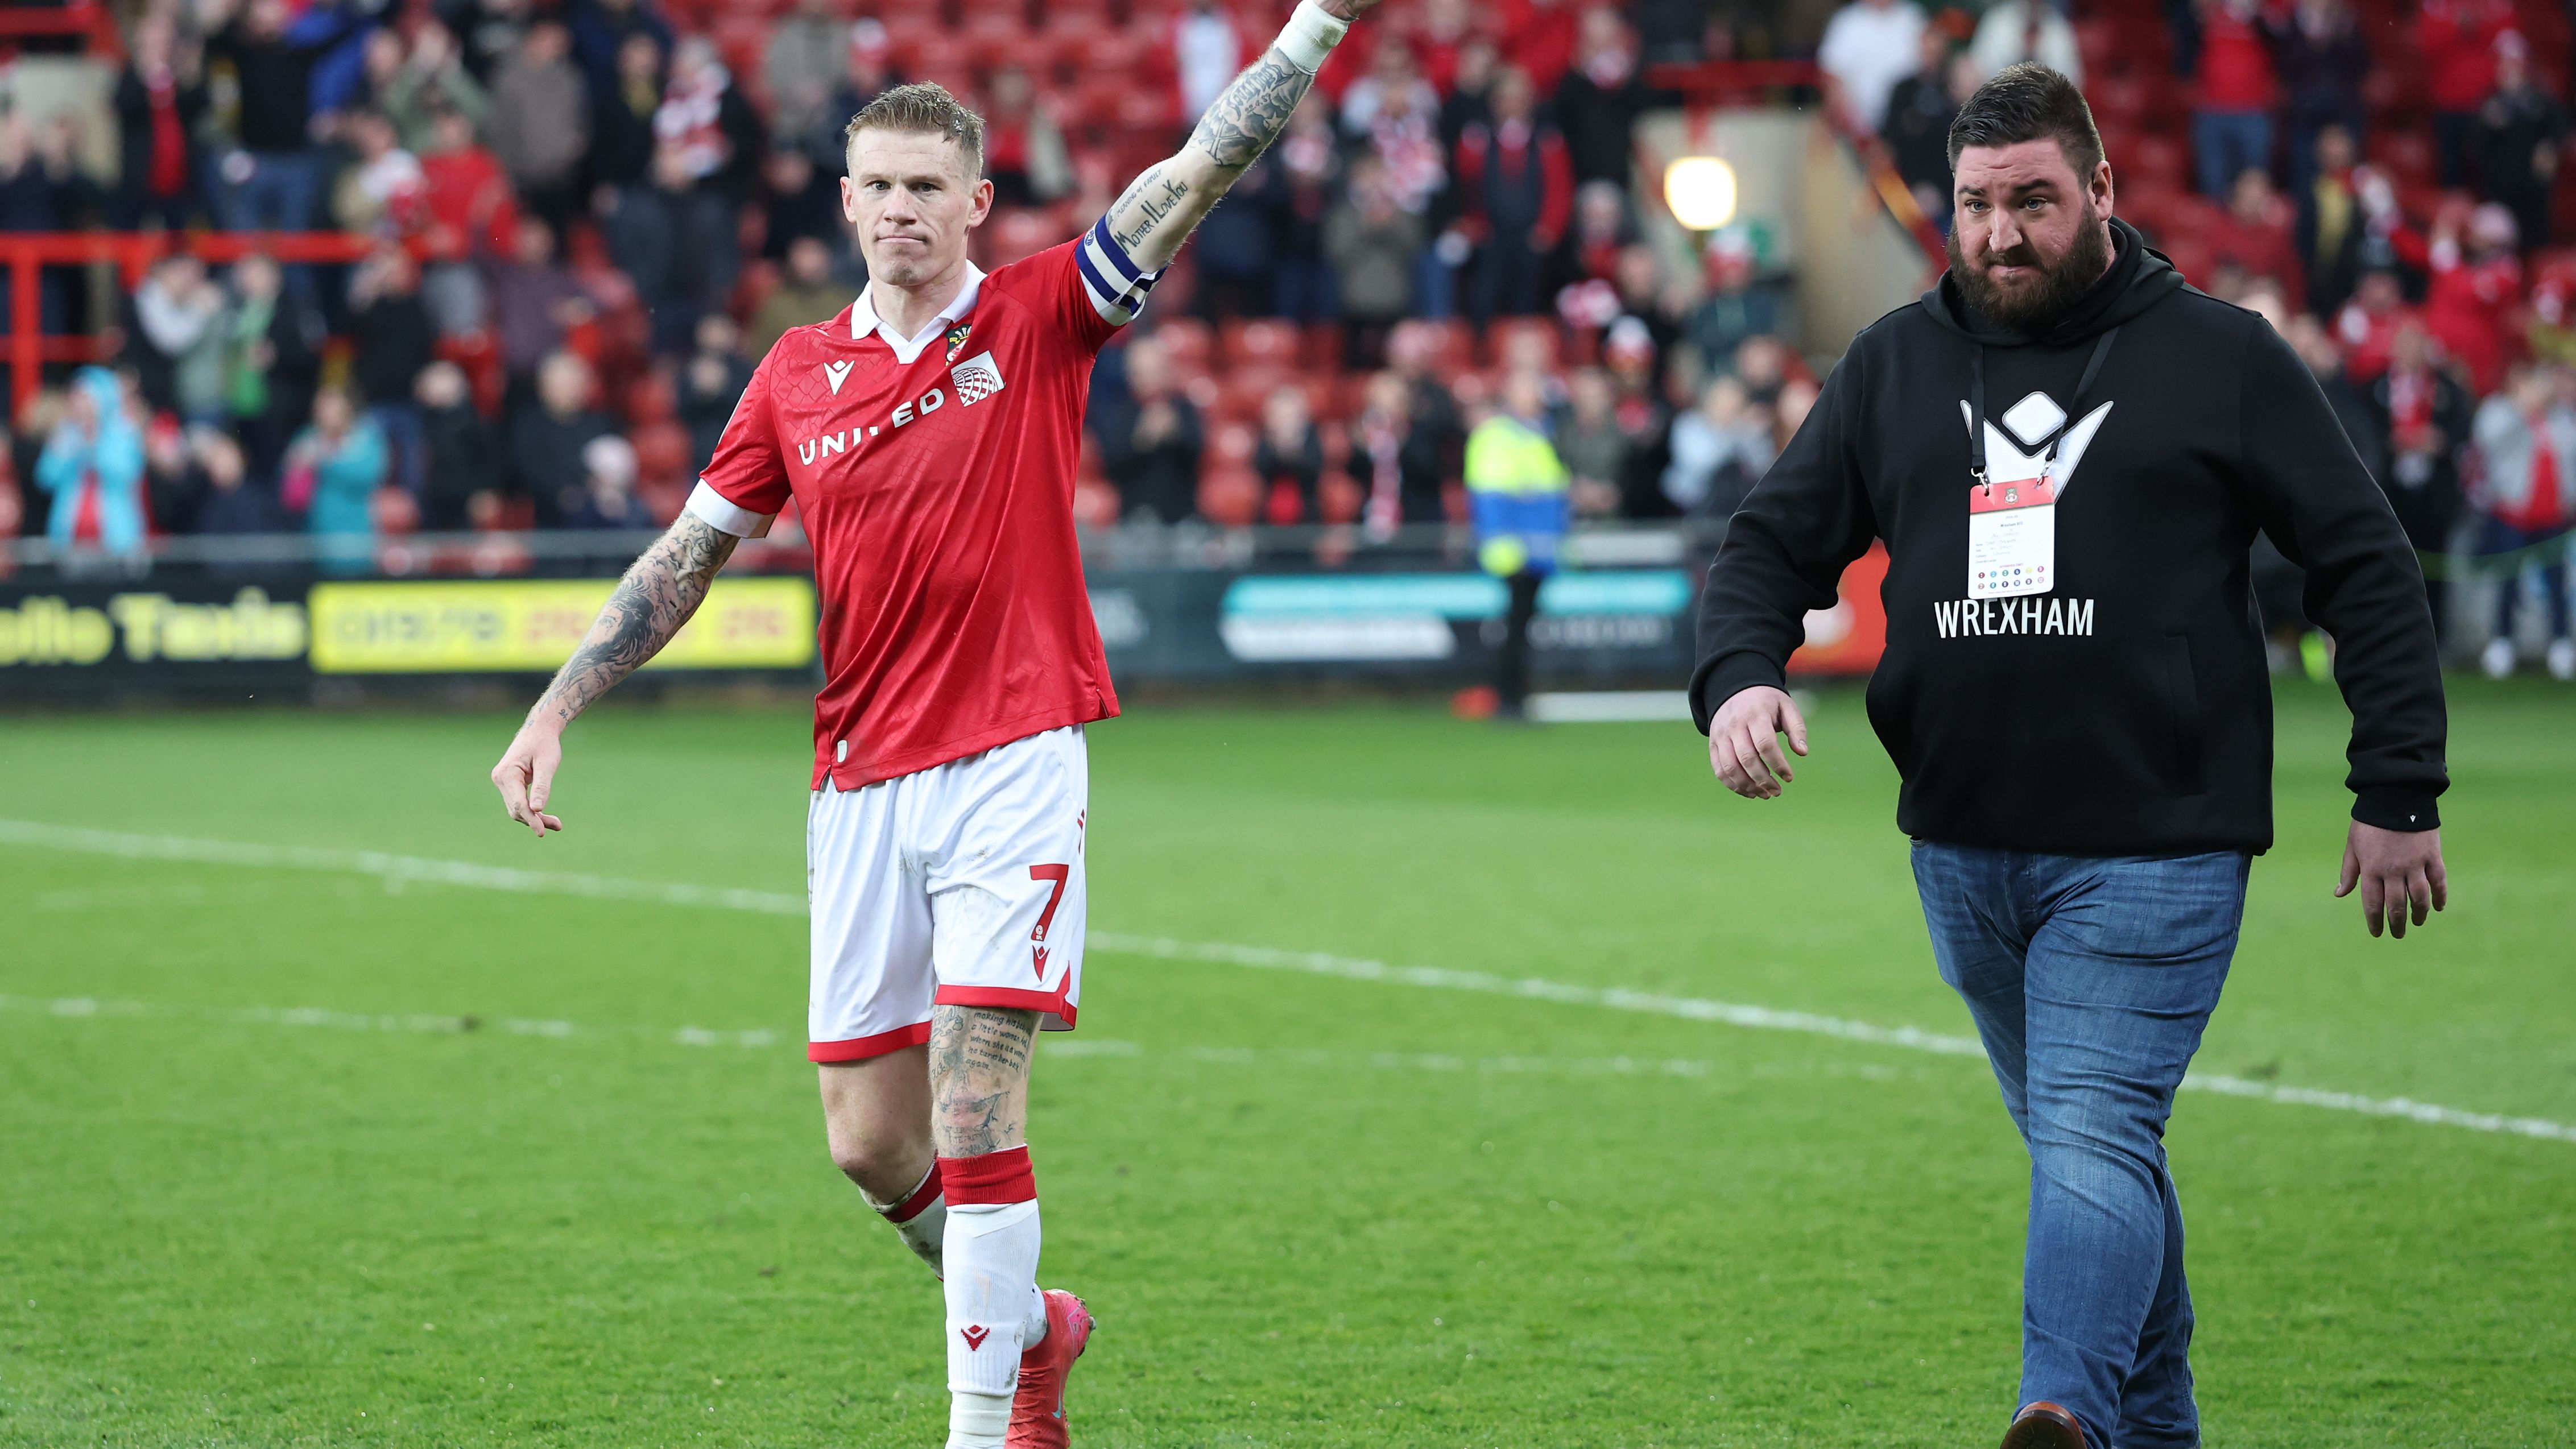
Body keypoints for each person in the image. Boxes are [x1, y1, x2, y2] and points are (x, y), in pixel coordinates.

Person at [485, 8, 1391, 1444]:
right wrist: (556, 704)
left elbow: (1193, 174)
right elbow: (687, 557)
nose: (901, 208)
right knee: (869, 1143)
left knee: (976, 1108)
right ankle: (1033, 1329)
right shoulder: (795, 374)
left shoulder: (1038, 315)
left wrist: (1312, 26)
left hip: (1013, 758)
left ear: (976, 201)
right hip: (858, 781)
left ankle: (984, 1426)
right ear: (845, 202)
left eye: (928, 186)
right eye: (879, 185)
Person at [1692, 65, 2449, 1449]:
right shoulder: (1893, 363)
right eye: (1976, 205)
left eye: (2033, 201)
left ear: (2100, 188)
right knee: (2088, 1151)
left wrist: (2395, 786)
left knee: (2092, 1125)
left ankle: (2063, 1414)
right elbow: (1766, 545)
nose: (2000, 235)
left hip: (2155, 840)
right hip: (1961, 846)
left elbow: (2365, 563)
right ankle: (2154, 1427)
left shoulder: (2219, 355)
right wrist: (1739, 677)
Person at [1466, 367, 1569, 717]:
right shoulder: (1500, 436)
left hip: (1535, 550)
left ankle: (1513, 696)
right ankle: (1508, 699)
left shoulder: (1535, 434)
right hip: (1516, 551)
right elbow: (1493, 496)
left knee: (1520, 628)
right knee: (1515, 628)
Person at [2469, 363, 2576, 679]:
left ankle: (2561, 642)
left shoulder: (2561, 417)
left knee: (2557, 581)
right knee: (2508, 581)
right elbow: (2489, 443)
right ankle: (2502, 642)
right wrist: (2522, 410)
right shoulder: (2498, 411)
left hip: (2554, 516)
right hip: (2512, 514)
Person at [35, 369, 148, 564]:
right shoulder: (66, 435)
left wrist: (95, 443)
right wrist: (63, 450)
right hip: (70, 542)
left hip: (117, 543)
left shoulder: (123, 434)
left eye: (86, 398)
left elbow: (127, 475)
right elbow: (45, 479)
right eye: (76, 398)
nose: (80, 405)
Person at [2471, 31, 2566, 252]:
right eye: (2505, 66)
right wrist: (2488, 124)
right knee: (2504, 237)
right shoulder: (2488, 104)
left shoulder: (2541, 101)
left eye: (2515, 66)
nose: (2511, 72)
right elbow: (2475, 146)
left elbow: (2560, 126)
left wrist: (2550, 147)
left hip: (2534, 186)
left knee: (2537, 236)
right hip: (2500, 187)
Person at [1096, 336, 1205, 524]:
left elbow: (1198, 454)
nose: (1149, 379)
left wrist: (1175, 432)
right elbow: (1111, 464)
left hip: (1182, 515)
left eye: (1156, 371)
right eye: (1141, 373)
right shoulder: (1118, 413)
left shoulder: (1183, 408)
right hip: (1133, 516)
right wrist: (1143, 439)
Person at [285, 386, 388, 576]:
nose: (326, 414)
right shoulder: (307, 439)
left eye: (332, 407)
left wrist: (326, 461)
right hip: (314, 540)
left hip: (357, 539)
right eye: (321, 408)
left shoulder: (365, 439)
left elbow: (368, 475)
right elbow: (289, 488)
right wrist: (298, 465)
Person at [1818, 0, 1928, 135]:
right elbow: (1831, 76)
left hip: (1907, 127)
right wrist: (1853, 125)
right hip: (1857, 129)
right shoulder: (1845, 21)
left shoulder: (1913, 17)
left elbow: (1928, 67)